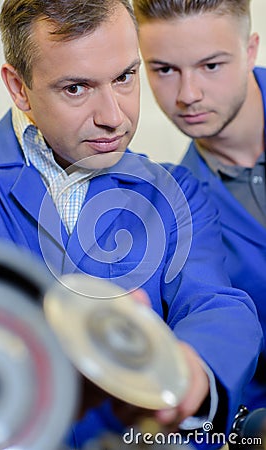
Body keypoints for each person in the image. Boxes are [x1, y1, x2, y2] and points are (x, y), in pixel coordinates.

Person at [0, 0, 262, 448]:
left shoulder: (175, 191)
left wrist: (194, 370)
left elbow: (217, 303)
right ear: (19, 87)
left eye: (125, 77)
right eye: (76, 88)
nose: (114, 116)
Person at [133, 0, 266, 414]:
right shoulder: (176, 213)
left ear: (249, 50)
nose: (188, 95)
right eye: (165, 70)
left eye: (211, 66)